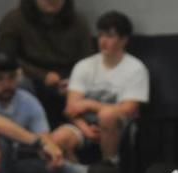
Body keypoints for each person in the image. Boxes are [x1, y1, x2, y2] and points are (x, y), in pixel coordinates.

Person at [51, 10, 148, 164]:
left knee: (107, 116)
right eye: (101, 35)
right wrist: (85, 130)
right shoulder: (84, 66)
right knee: (57, 139)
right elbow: (71, 108)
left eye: (109, 36)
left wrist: (90, 104)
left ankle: (110, 168)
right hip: (85, 125)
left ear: (123, 40)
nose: (103, 41)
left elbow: (129, 109)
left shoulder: (135, 68)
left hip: (119, 127)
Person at [0, 0, 93, 127]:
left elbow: (88, 61)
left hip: (67, 80)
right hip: (30, 78)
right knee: (18, 81)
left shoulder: (78, 22)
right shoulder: (14, 20)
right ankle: (23, 135)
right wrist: (42, 76)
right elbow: (6, 57)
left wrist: (73, 81)